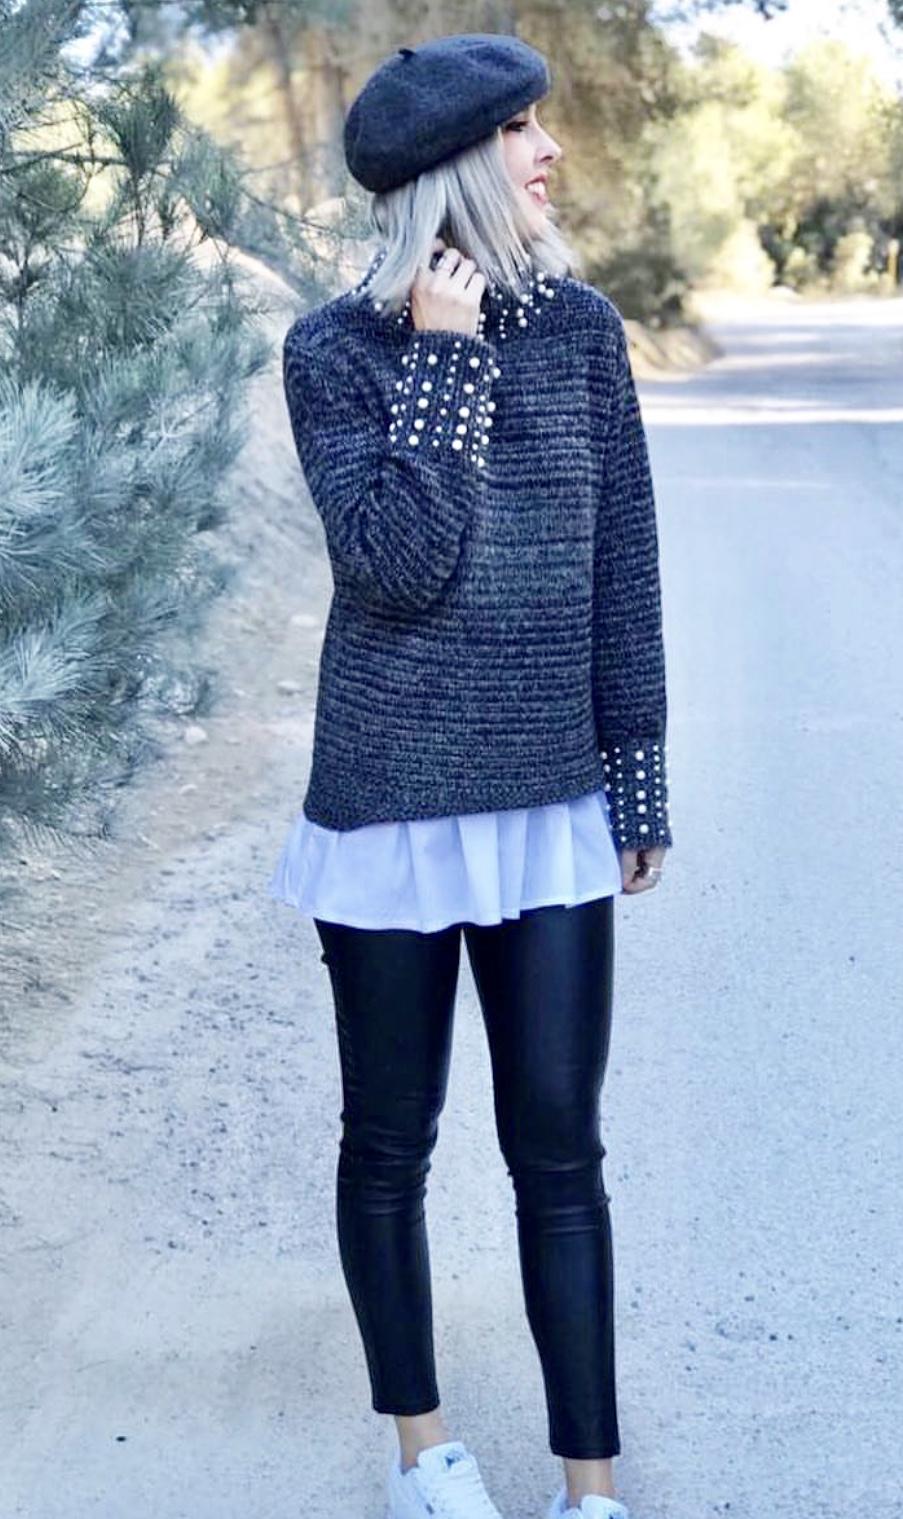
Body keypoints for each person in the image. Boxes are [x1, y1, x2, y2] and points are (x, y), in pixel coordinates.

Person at [268, 31, 673, 1519]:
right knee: (390, 1143)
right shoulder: (333, 352)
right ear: (456, 165)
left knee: (560, 1149)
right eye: (521, 131)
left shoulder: (583, 334)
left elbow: (624, 570)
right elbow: (395, 564)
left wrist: (637, 778)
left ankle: (591, 1489)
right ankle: (423, 1453)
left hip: (551, 802)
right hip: (388, 809)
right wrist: (442, 361)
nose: (549, 151)